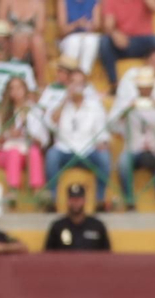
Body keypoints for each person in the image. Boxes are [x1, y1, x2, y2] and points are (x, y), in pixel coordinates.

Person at [45, 64, 110, 208]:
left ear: (85, 86)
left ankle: (100, 199)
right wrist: (65, 100)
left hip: (88, 150)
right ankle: (52, 200)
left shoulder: (94, 105)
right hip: (65, 150)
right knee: (51, 155)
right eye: (73, 82)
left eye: (80, 83)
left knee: (104, 157)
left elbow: (101, 131)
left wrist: (102, 142)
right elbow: (51, 122)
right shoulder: (59, 102)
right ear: (68, 84)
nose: (76, 86)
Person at [112, 64, 155, 208]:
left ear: (152, 87)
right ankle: (129, 199)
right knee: (123, 163)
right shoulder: (128, 104)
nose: (145, 89)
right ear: (137, 87)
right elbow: (113, 125)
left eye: (148, 86)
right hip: (133, 148)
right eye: (142, 86)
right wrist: (127, 110)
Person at [0, 74, 46, 200]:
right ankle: (13, 191)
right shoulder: (1, 111)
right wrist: (8, 135)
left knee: (34, 152)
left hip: (26, 149)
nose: (16, 91)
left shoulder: (34, 110)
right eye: (12, 88)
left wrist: (28, 134)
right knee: (14, 153)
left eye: (19, 88)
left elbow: (43, 140)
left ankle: (37, 190)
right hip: (6, 151)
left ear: (25, 90)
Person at [98, 0, 155, 92]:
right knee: (105, 42)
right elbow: (108, 25)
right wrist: (115, 33)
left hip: (143, 42)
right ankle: (114, 84)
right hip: (122, 42)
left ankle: (153, 83)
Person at [44, 179, 111, 247]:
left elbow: (107, 252)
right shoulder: (57, 227)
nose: (76, 203)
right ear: (68, 201)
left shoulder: (97, 226)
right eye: (73, 199)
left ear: (84, 200)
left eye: (78, 199)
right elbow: (48, 252)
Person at [2, 0, 49, 82]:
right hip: (11, 37)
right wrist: (16, 33)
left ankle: (40, 81)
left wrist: (28, 36)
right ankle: (14, 78)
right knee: (20, 40)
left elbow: (40, 29)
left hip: (31, 38)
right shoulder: (6, 1)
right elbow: (1, 22)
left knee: (37, 41)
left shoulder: (39, 3)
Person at [56, 0, 103, 77]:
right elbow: (62, 30)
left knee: (91, 40)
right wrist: (76, 24)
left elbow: (97, 25)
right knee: (74, 41)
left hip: (87, 36)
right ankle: (69, 74)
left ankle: (83, 76)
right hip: (69, 37)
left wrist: (89, 26)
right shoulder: (63, 1)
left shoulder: (95, 1)